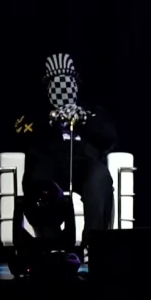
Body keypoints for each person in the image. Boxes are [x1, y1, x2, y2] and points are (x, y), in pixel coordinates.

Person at [17, 53, 116, 256]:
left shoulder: (92, 110)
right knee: (38, 179)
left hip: (83, 164)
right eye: (56, 83)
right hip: (48, 163)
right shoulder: (36, 112)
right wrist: (50, 119)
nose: (63, 87)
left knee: (99, 176)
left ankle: (92, 244)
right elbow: (20, 131)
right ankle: (53, 244)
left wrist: (84, 120)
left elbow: (110, 138)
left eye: (68, 82)